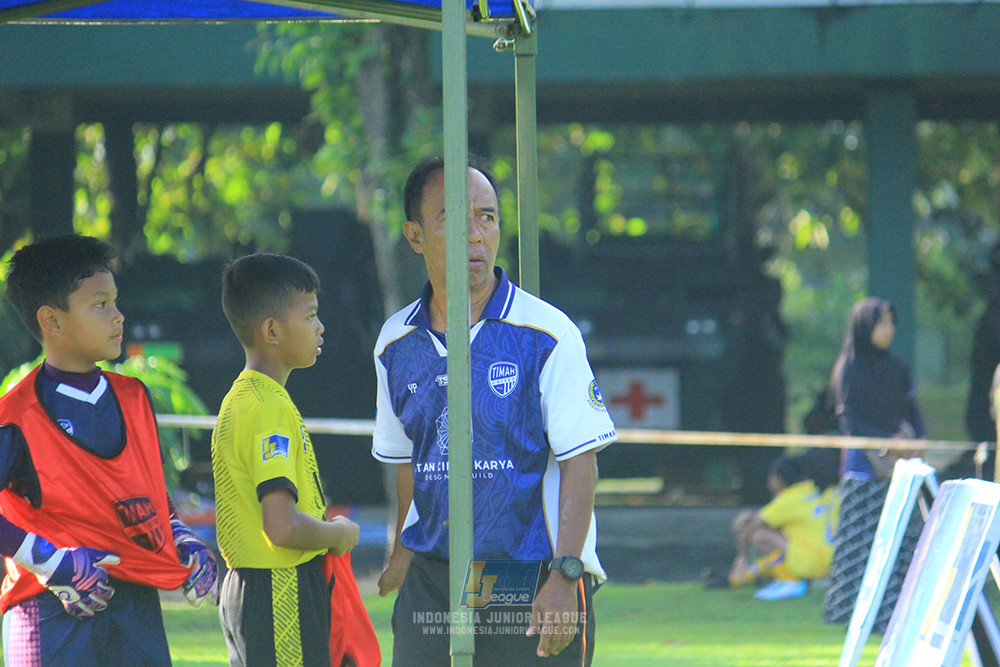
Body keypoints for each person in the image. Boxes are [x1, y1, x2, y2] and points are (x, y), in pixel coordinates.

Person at [372, 156, 617, 666]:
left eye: (487, 217)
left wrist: (564, 575)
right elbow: (404, 460)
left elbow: (581, 463)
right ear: (415, 235)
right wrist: (402, 552)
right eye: (453, 220)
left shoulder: (547, 336)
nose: (476, 235)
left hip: (526, 575)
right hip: (434, 577)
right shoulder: (396, 343)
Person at [0, 234, 218, 666]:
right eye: (100, 304)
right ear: (51, 320)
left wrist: (182, 538)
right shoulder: (17, 415)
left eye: (116, 301)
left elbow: (152, 496)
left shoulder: (134, 397)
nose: (118, 316)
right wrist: (46, 560)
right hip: (51, 611)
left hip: (136, 609)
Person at [212, 252, 361, 667]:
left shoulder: (242, 398)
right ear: (272, 330)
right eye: (310, 315)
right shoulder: (266, 408)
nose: (320, 326)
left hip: (248, 590)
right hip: (280, 590)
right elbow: (281, 526)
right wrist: (338, 534)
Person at [821, 297, 925, 634]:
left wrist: (913, 440)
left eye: (892, 323)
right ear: (866, 327)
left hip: (900, 466)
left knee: (900, 539)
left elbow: (912, 411)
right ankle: (852, 613)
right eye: (882, 324)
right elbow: (849, 419)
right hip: (864, 467)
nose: (889, 330)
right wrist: (885, 443)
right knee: (862, 542)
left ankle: (896, 612)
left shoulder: (897, 367)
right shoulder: (850, 367)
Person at [706, 454, 835, 600]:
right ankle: (751, 578)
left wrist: (741, 556)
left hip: (812, 562)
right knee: (774, 530)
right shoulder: (812, 490)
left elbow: (753, 527)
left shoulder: (789, 498)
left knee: (760, 536)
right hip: (831, 560)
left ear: (779, 478)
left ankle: (790, 582)